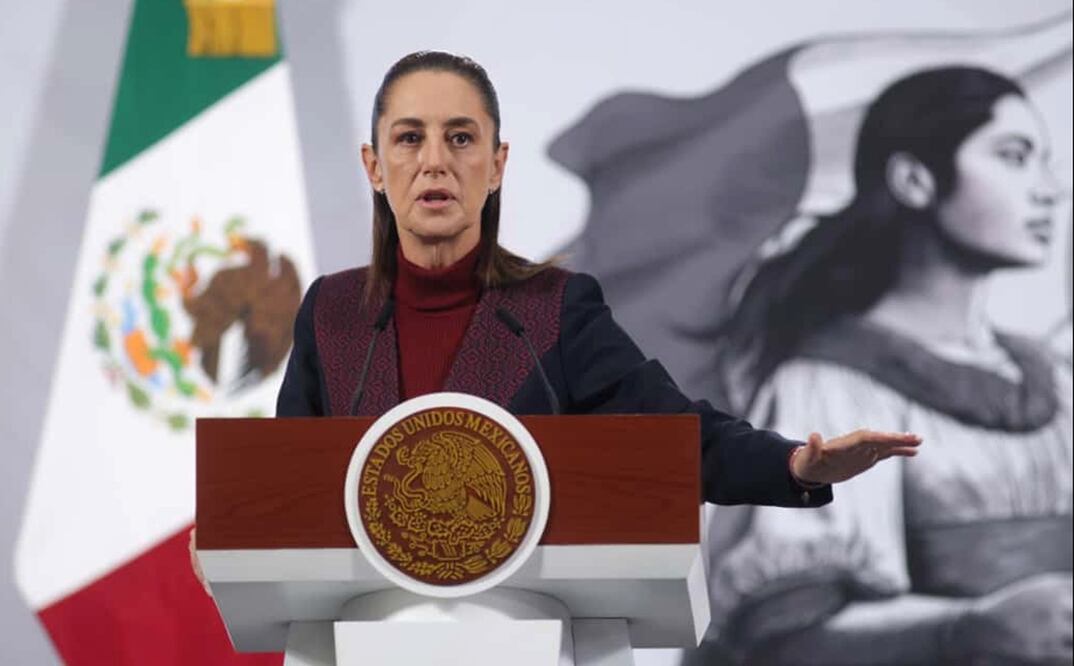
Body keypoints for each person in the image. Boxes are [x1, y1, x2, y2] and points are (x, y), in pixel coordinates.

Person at [275, 50, 921, 513]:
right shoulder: (331, 313)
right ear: (375, 166)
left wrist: (795, 465)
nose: (435, 161)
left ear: (497, 165)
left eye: (462, 138)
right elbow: (282, 490)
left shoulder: (553, 309)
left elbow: (676, 439)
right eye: (410, 138)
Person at [698, 67, 1071, 664]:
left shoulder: (1058, 378)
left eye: (1044, 162)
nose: (1050, 190)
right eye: (1013, 157)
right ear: (914, 179)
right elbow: (783, 633)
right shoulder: (827, 388)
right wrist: (969, 628)